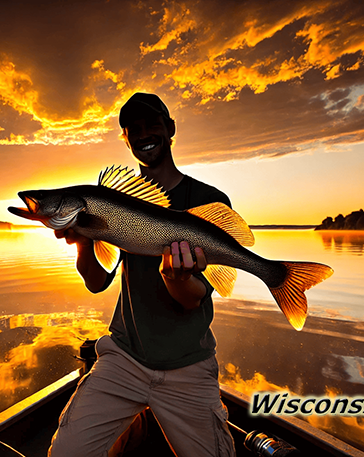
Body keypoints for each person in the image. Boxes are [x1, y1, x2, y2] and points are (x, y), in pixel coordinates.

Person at [48, 93, 235, 456]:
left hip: (187, 365)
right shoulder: (116, 199)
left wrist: (175, 276)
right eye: (134, 129)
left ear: (170, 129)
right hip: (123, 357)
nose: (144, 134)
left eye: (153, 124)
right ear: (127, 138)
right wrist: (84, 243)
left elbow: (193, 298)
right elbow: (97, 281)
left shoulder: (208, 199)